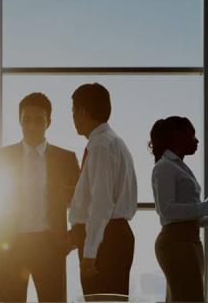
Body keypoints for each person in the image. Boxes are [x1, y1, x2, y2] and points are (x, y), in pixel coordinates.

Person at [0, 92, 81, 303]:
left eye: (39, 120)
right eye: (26, 119)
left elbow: (82, 203)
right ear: (19, 120)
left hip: (51, 246)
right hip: (10, 246)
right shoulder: (2, 157)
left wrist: (72, 239)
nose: (32, 126)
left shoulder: (66, 159)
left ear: (49, 122)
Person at [148, 116, 208, 302]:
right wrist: (206, 206)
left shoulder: (178, 166)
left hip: (190, 242)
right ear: (176, 136)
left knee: (187, 297)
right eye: (192, 135)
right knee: (190, 297)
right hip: (176, 244)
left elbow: (188, 216)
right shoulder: (164, 167)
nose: (197, 140)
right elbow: (167, 211)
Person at [67, 83, 139, 296]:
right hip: (115, 234)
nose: (72, 118)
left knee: (101, 298)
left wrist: (90, 253)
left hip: (105, 239)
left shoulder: (100, 146)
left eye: (73, 111)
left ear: (81, 112)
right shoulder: (114, 142)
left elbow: (102, 203)